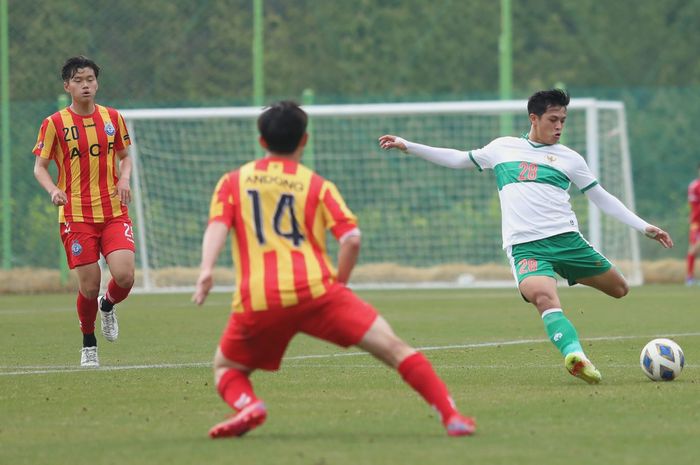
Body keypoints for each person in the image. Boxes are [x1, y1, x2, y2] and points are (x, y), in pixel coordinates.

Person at [192, 101, 475, 438]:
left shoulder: (233, 182)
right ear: (305, 140)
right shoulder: (316, 186)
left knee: (227, 367)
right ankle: (451, 416)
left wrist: (206, 269)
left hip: (260, 299)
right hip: (317, 293)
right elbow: (352, 240)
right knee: (396, 349)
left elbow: (217, 226)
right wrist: (340, 283)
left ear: (262, 141)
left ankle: (248, 404)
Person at [379, 89, 673, 384]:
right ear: (534, 118)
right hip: (526, 248)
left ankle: (565, 271)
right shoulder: (502, 148)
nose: (559, 126)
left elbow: (601, 197)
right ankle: (576, 356)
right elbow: (458, 159)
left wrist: (643, 226)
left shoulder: (570, 159)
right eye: (553, 119)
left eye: (563, 120)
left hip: (567, 241)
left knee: (620, 288)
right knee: (544, 297)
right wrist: (408, 146)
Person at [32, 56, 136, 368]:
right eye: (78, 80)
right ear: (67, 86)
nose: (85, 85)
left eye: (90, 79)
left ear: (97, 83)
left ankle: (109, 304)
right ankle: (88, 344)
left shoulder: (113, 118)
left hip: (114, 211)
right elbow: (40, 167)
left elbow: (125, 156)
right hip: (76, 215)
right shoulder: (54, 124)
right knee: (89, 286)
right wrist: (54, 190)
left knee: (125, 276)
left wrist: (125, 179)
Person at [686, 164, 700, 285]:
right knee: (694, 248)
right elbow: (694, 206)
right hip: (697, 223)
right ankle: (689, 277)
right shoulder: (694, 186)